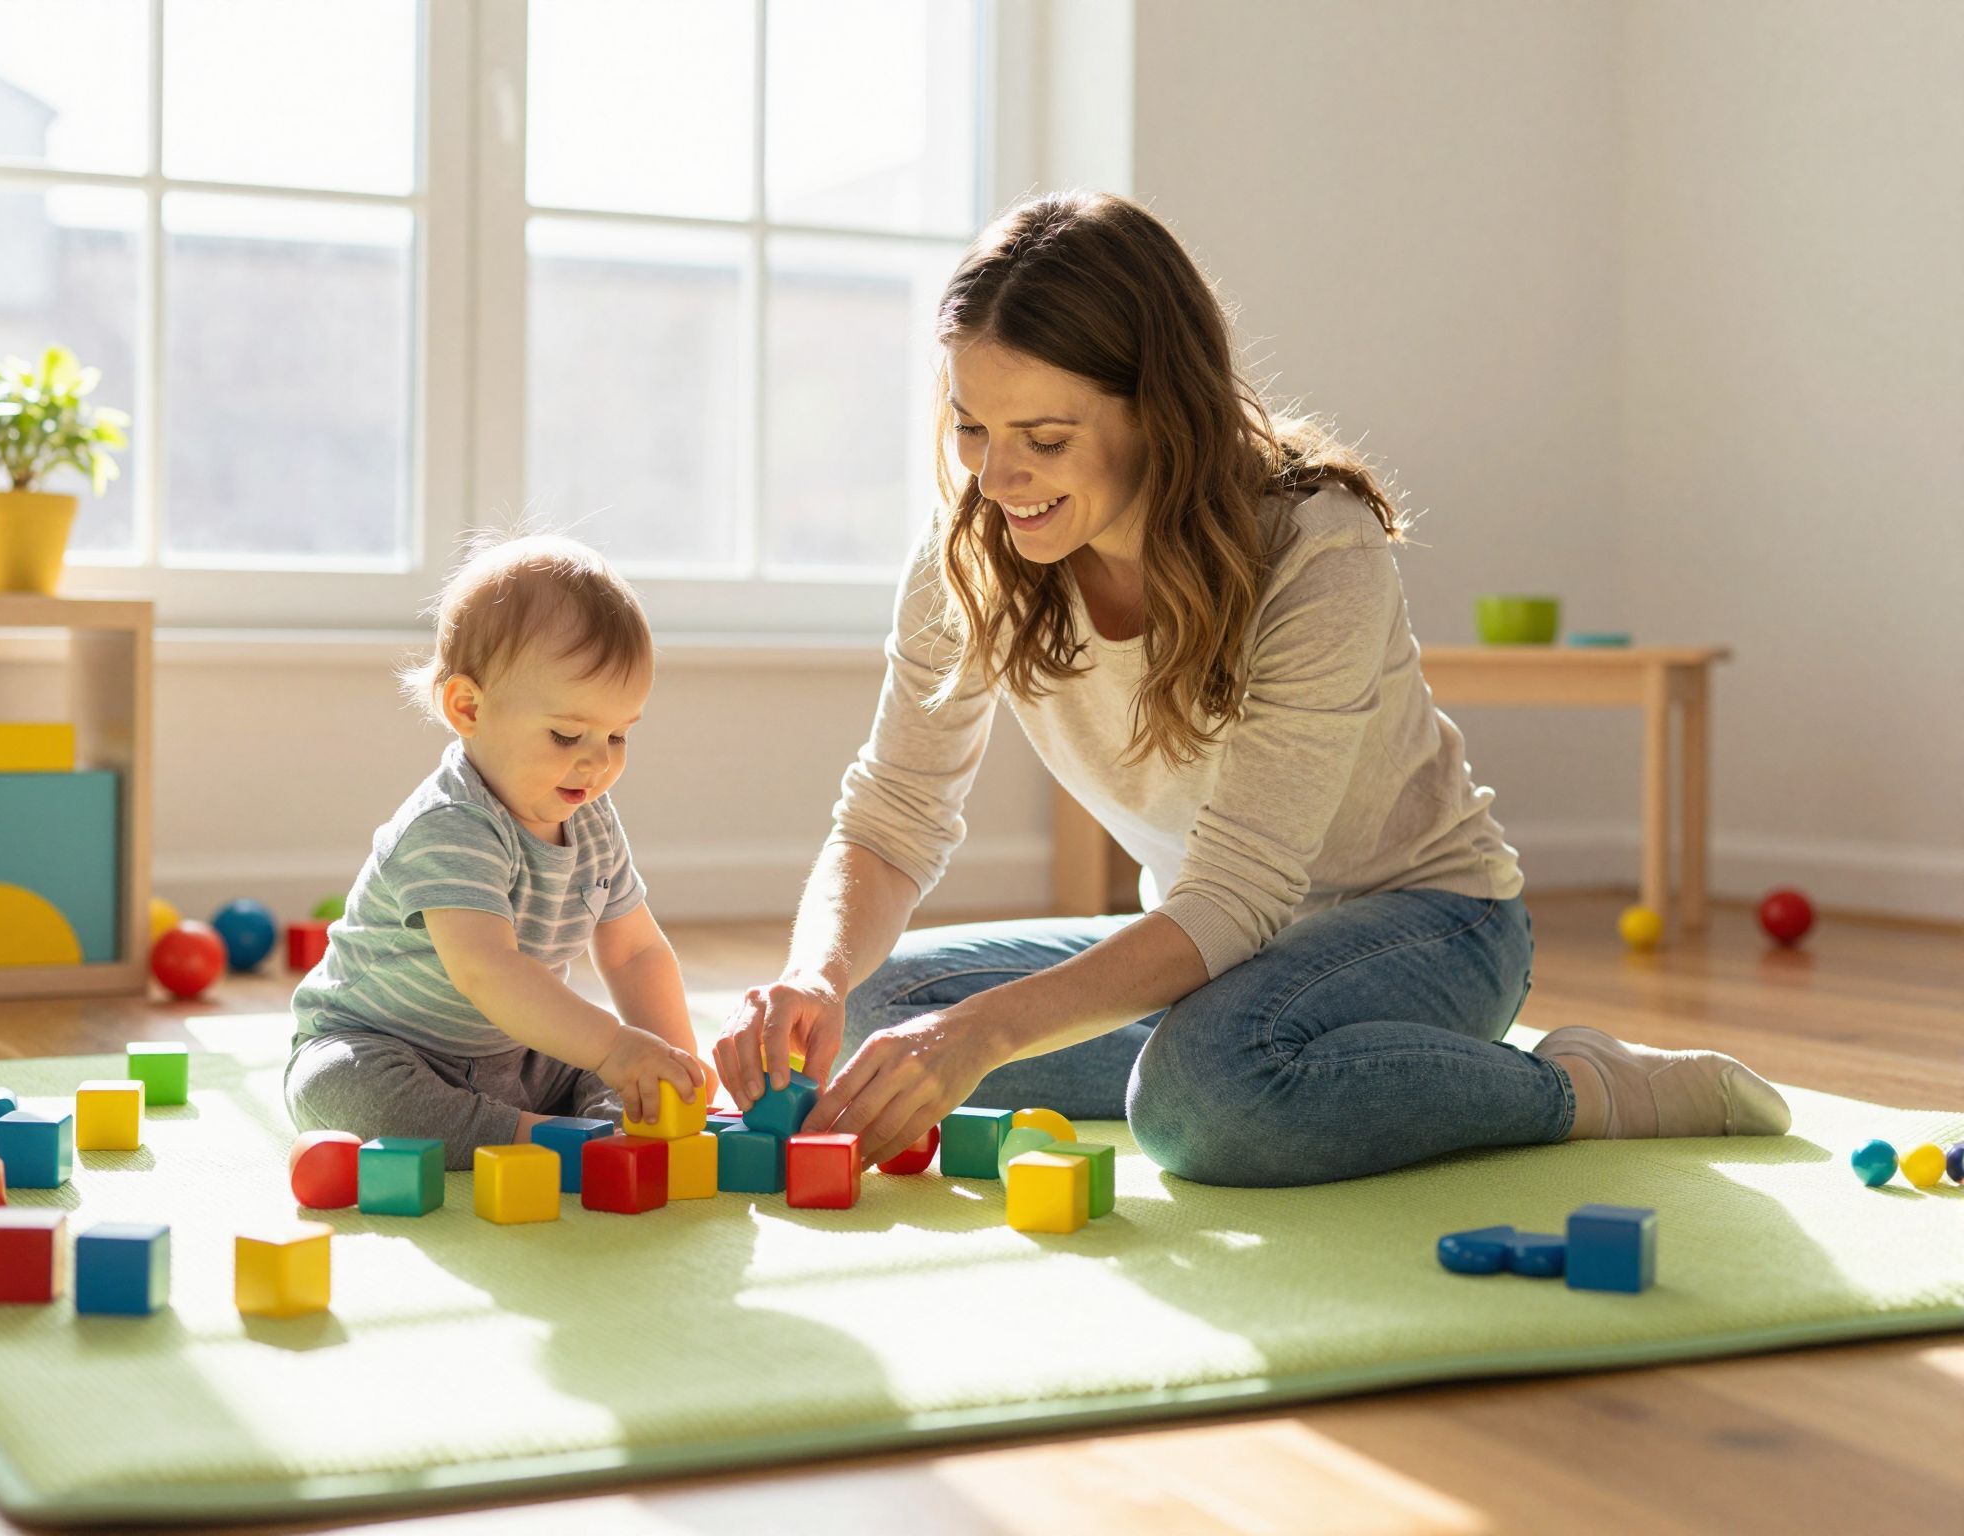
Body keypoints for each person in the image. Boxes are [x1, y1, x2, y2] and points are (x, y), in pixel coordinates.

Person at [713, 191, 1788, 1186]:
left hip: (1429, 924)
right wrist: (810, 976)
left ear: (1158, 410)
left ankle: (1584, 1087)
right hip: (1211, 944)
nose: (995, 480)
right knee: (868, 1016)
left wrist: (990, 1031)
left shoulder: (1317, 543)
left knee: (1197, 1107)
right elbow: (894, 815)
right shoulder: (972, 554)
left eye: (1042, 438)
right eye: (971, 428)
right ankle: (1293, 1055)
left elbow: (1241, 889)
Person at [285, 533, 706, 1167]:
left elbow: (635, 950)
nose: (597, 761)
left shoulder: (591, 818)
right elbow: (488, 971)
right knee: (342, 1092)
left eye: (618, 735)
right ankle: (533, 1137)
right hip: (384, 1045)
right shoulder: (450, 825)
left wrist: (673, 1064)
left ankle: (565, 1125)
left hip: (517, 1055)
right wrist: (616, 1047)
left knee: (610, 1074)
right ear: (468, 707)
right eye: (567, 734)